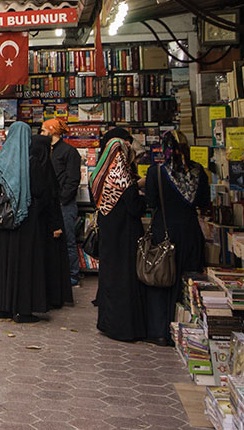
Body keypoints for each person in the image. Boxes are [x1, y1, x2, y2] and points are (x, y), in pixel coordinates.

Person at [143, 130, 210, 345]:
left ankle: (161, 331)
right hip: (191, 233)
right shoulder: (199, 171)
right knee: (188, 283)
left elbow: (151, 202)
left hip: (165, 232)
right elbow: (204, 202)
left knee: (162, 279)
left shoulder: (157, 172)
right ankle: (188, 333)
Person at [0, 122, 62, 323]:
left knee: (4, 264)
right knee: (24, 265)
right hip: (26, 224)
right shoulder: (31, 163)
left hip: (2, 222)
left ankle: (2, 306)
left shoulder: (0, 162)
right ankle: (23, 309)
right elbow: (41, 193)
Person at [90, 137, 147, 342]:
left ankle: (106, 322)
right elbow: (135, 208)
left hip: (107, 235)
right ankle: (123, 327)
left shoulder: (100, 175)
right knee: (124, 280)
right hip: (125, 237)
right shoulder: (122, 178)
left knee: (108, 278)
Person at [32, 134, 73, 310]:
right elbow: (47, 201)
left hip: (44, 225)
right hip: (47, 225)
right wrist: (55, 225)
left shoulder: (40, 168)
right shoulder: (41, 170)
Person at [41, 117, 83, 287]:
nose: (41, 134)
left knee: (68, 240)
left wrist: (61, 200)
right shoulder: (46, 150)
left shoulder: (69, 152)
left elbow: (73, 180)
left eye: (44, 131)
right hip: (50, 203)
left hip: (64, 204)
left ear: (52, 131)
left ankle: (73, 275)